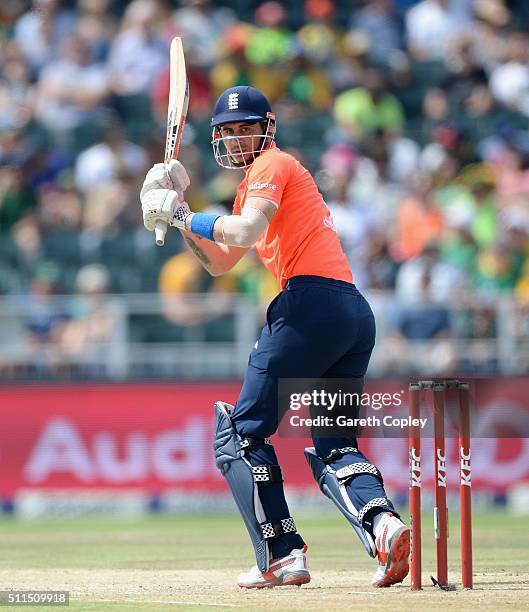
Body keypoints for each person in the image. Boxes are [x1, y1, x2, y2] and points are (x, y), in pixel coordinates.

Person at [139, 86, 410, 589]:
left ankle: (282, 555)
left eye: (248, 128)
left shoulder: (273, 165)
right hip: (350, 313)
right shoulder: (251, 187)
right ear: (218, 137)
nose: (240, 138)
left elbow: (241, 233)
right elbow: (220, 262)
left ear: (268, 127)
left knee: (239, 434)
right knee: (333, 444)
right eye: (230, 131)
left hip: (308, 306)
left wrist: (179, 213)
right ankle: (384, 526)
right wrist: (177, 211)